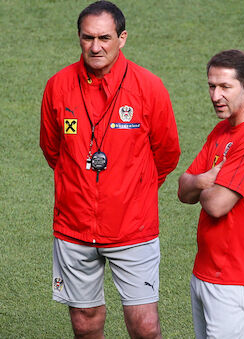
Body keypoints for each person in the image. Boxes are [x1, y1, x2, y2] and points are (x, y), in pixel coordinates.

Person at [40, 1, 180, 337]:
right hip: (74, 226)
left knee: (144, 325)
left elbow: (168, 153)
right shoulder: (57, 86)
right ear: (78, 38)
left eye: (104, 37)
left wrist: (135, 189)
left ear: (122, 38)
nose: (95, 46)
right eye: (88, 38)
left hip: (133, 228)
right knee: (84, 321)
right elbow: (52, 150)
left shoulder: (149, 87)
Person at [177, 49, 244, 338]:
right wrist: (205, 180)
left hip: (236, 280)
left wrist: (200, 184)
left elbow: (216, 204)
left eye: (225, 87)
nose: (215, 96)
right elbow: (183, 189)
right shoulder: (221, 132)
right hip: (204, 273)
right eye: (211, 86)